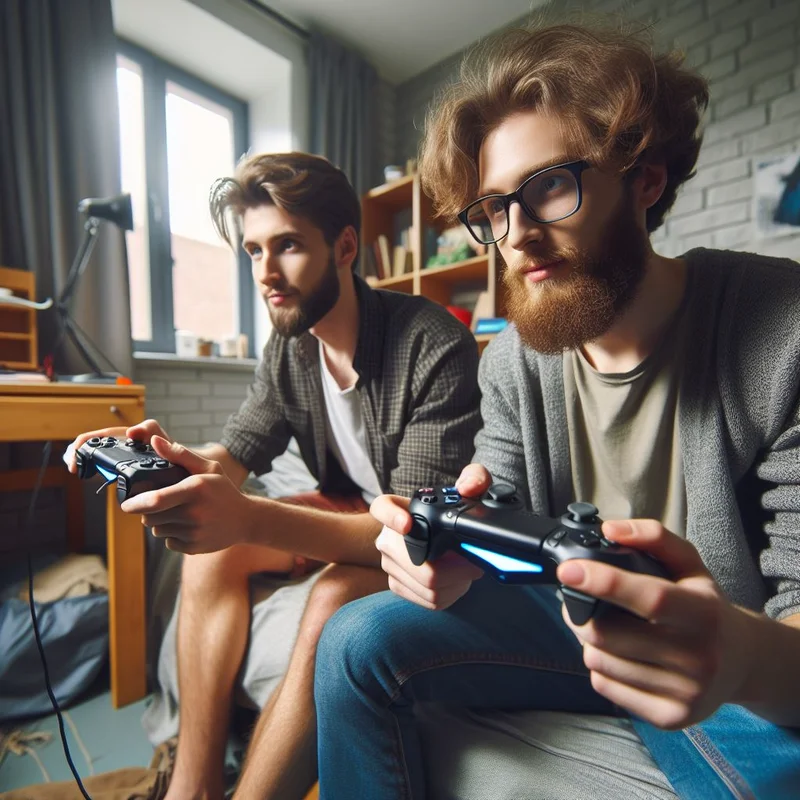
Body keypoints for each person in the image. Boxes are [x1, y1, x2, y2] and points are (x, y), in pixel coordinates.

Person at [313, 20, 800, 800]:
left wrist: (735, 660)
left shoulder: (784, 328)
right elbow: (494, 496)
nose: (518, 237)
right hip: (570, 623)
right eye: (495, 209)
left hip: (726, 654)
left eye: (549, 187)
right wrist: (442, 551)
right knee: (355, 634)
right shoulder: (511, 360)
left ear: (645, 179)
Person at [67, 152, 482, 800]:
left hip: (411, 530)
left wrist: (251, 514)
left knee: (329, 602)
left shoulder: (432, 343)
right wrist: (159, 454)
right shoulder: (290, 348)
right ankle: (193, 788)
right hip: (353, 508)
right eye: (255, 251)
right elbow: (233, 452)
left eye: (286, 246)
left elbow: (411, 530)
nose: (266, 272)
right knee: (211, 554)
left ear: (345, 246)